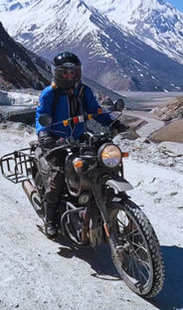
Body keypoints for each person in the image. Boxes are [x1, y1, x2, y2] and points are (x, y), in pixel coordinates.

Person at [35, 51, 127, 238]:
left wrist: (113, 122)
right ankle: (50, 220)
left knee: (103, 163)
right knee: (58, 178)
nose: (69, 76)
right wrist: (44, 134)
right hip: (56, 141)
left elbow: (95, 110)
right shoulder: (49, 93)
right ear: (57, 73)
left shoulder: (84, 91)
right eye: (65, 72)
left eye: (73, 72)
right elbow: (40, 116)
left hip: (80, 137)